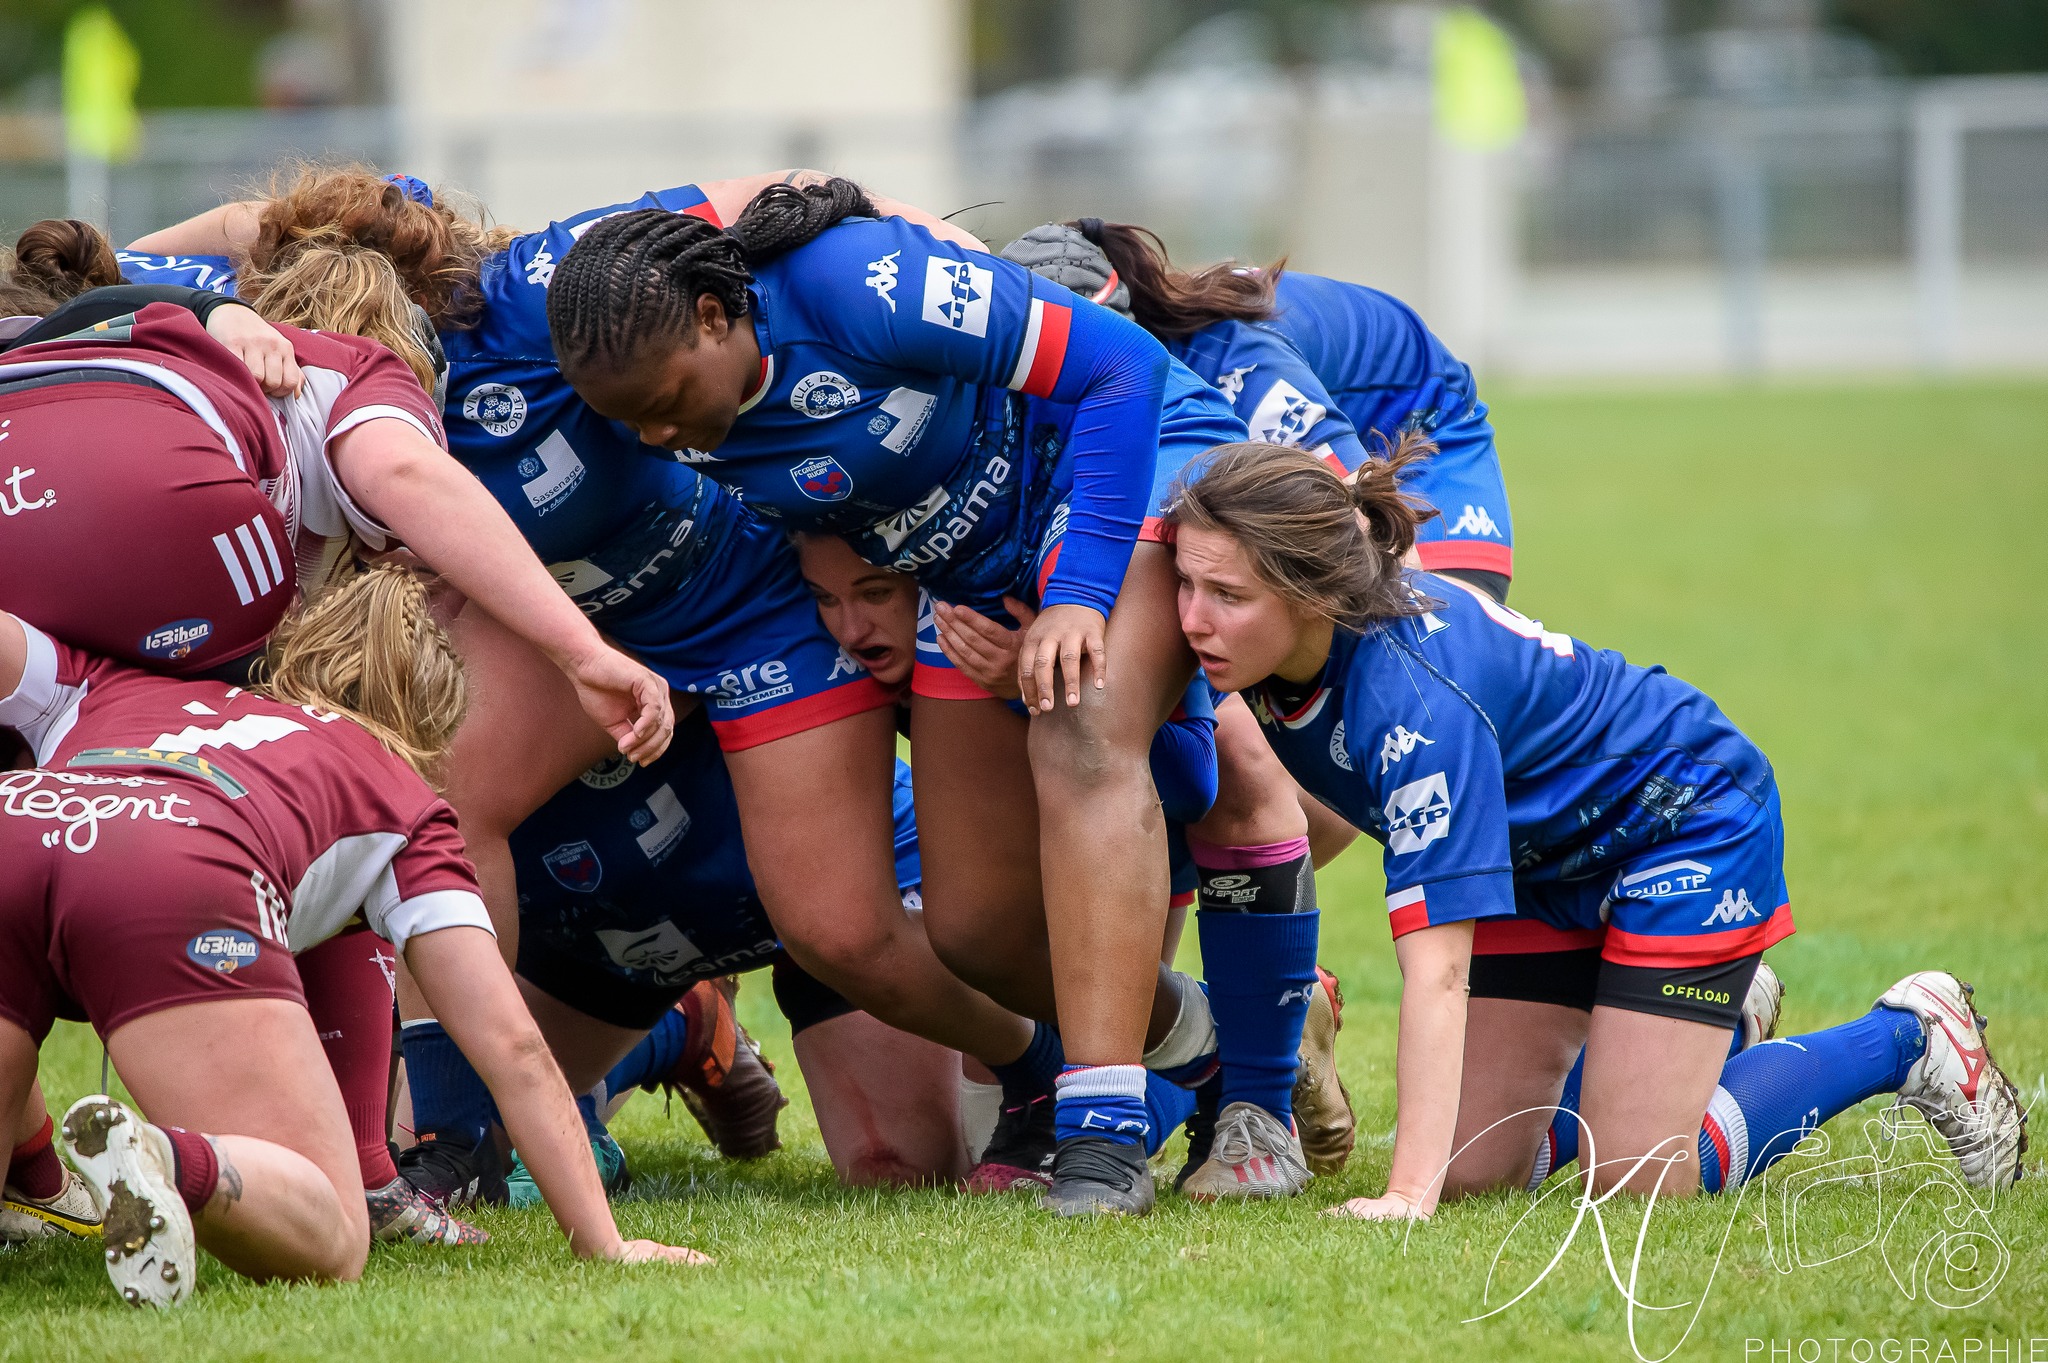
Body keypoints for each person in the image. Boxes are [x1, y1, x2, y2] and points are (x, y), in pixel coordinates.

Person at [120, 171, 1046, 1166]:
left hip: (744, 608)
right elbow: (91, 276)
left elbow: (764, 194)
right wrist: (218, 302)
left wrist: (972, 279)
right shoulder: (280, 325)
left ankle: (1037, 1062)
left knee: (840, 938)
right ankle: (458, 1140)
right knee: (440, 793)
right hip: (577, 621)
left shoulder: (536, 294)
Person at [546, 180, 1337, 1214]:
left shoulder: (852, 285)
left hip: (1115, 467)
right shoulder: (656, 398)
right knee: (973, 928)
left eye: (662, 400)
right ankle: (1218, 1048)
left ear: (712, 315)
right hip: (965, 569)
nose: (653, 437)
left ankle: (1101, 1137)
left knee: (1082, 724)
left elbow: (1122, 369)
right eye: (626, 420)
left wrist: (1081, 594)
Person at [1164, 439, 2029, 1215]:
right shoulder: (1270, 647)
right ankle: (1703, 1021)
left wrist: (1405, 1196)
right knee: (1474, 1169)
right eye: (1187, 585)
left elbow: (1437, 970)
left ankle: (1910, 1034)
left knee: (1637, 1176)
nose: (1192, 617)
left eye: (1226, 593)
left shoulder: (1413, 700)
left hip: (1682, 819)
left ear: (1312, 590)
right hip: (1541, 863)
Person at [0, 566, 707, 1308]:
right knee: (337, 1236)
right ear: (435, 719)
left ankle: (50, 1170)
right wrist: (608, 1241)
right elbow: (515, 1049)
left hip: (21, 818)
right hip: (176, 868)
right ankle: (161, 1157)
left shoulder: (127, 683)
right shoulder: (401, 798)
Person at [793, 531, 1359, 1190]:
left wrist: (1035, 691)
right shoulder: (839, 654)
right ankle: (1247, 1026)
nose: (854, 625)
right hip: (1030, 869)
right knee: (941, 1151)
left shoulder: (1038, 614)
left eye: (878, 593)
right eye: (825, 599)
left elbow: (1205, 780)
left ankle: (1262, 1041)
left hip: (1147, 844)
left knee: (1114, 1059)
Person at [403, 718, 970, 1204]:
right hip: (590, 912)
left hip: (813, 867)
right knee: (417, 1152)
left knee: (903, 1169)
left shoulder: (683, 615)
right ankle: (683, 1027)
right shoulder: (402, 692)